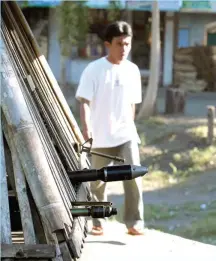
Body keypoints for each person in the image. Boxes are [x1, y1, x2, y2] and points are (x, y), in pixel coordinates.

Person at [75, 21, 144, 236]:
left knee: (134, 177)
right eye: (119, 44)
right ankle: (98, 222)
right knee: (97, 183)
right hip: (101, 135)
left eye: (127, 44)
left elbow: (132, 103)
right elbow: (84, 101)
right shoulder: (94, 69)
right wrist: (87, 130)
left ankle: (134, 222)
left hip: (126, 134)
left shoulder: (132, 70)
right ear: (108, 44)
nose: (124, 49)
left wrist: (129, 125)